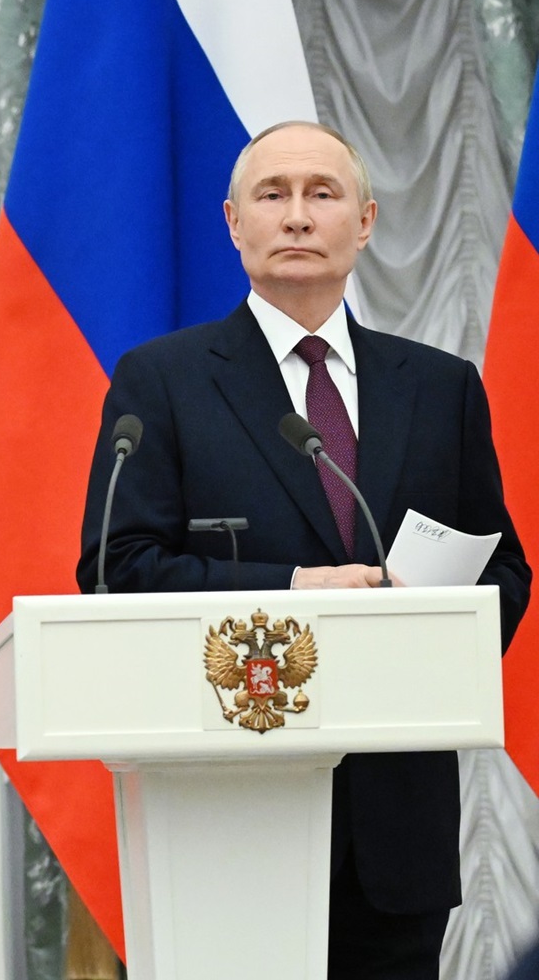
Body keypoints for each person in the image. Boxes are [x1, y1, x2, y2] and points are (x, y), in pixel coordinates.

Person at [75, 120, 529, 978]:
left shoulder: (438, 387)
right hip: (227, 808)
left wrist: (426, 631)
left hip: (396, 824)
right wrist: (295, 585)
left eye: (321, 194)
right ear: (233, 222)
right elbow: (117, 568)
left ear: (364, 221)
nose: (295, 216)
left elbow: (503, 568)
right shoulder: (162, 380)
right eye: (271, 195)